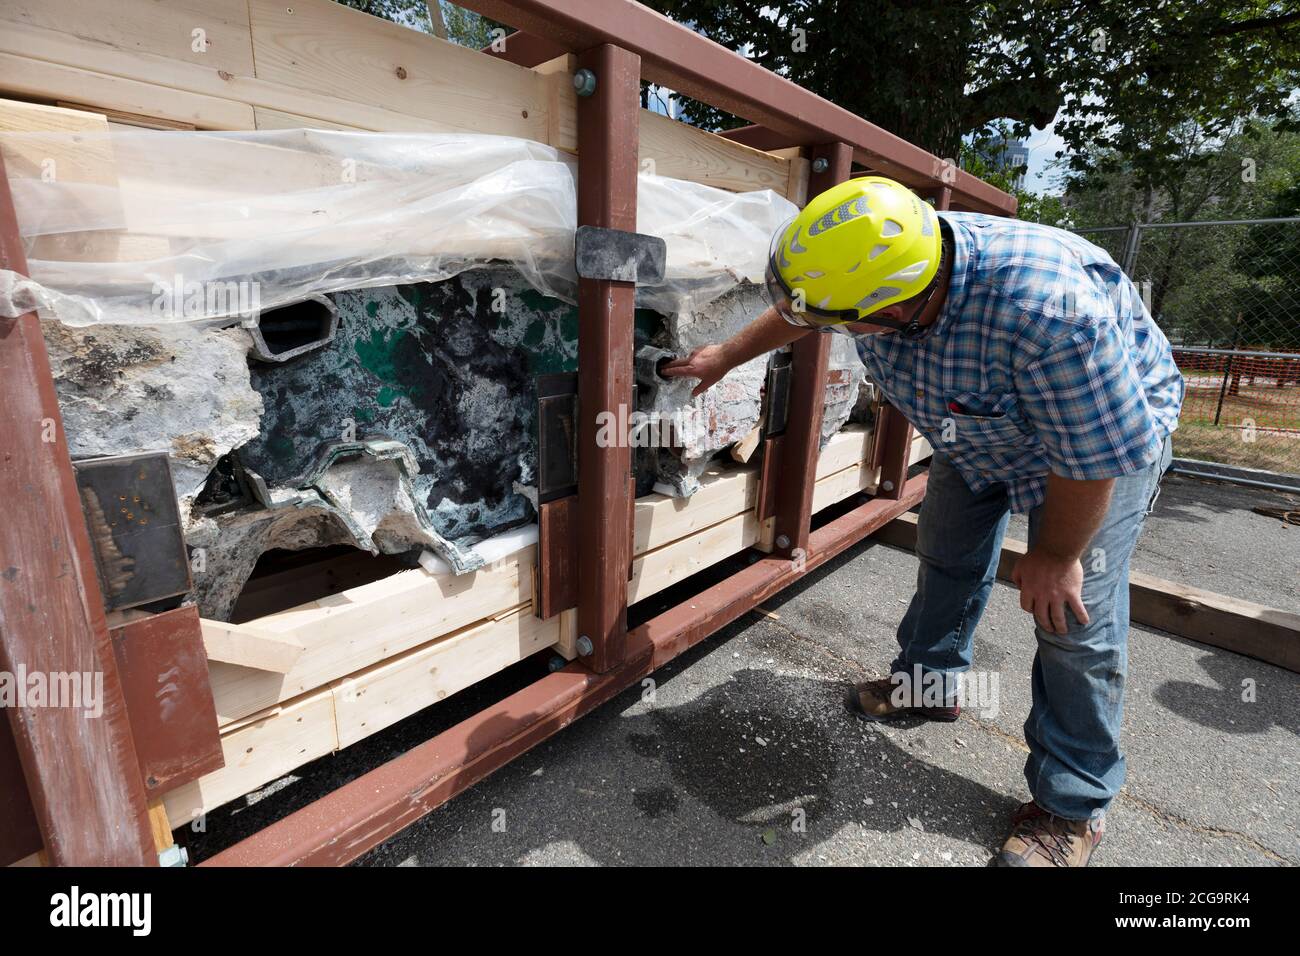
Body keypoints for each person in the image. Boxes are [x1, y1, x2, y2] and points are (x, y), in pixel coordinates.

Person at [660, 176, 1185, 867]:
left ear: (903, 304)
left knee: (1074, 621)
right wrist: (726, 355)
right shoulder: (876, 264)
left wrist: (1056, 555)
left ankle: (1071, 806)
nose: (834, 331)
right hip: (974, 424)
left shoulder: (1052, 312)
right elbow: (806, 309)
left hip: (1093, 449)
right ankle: (927, 688)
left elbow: (1092, 457)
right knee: (946, 556)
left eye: (848, 322)